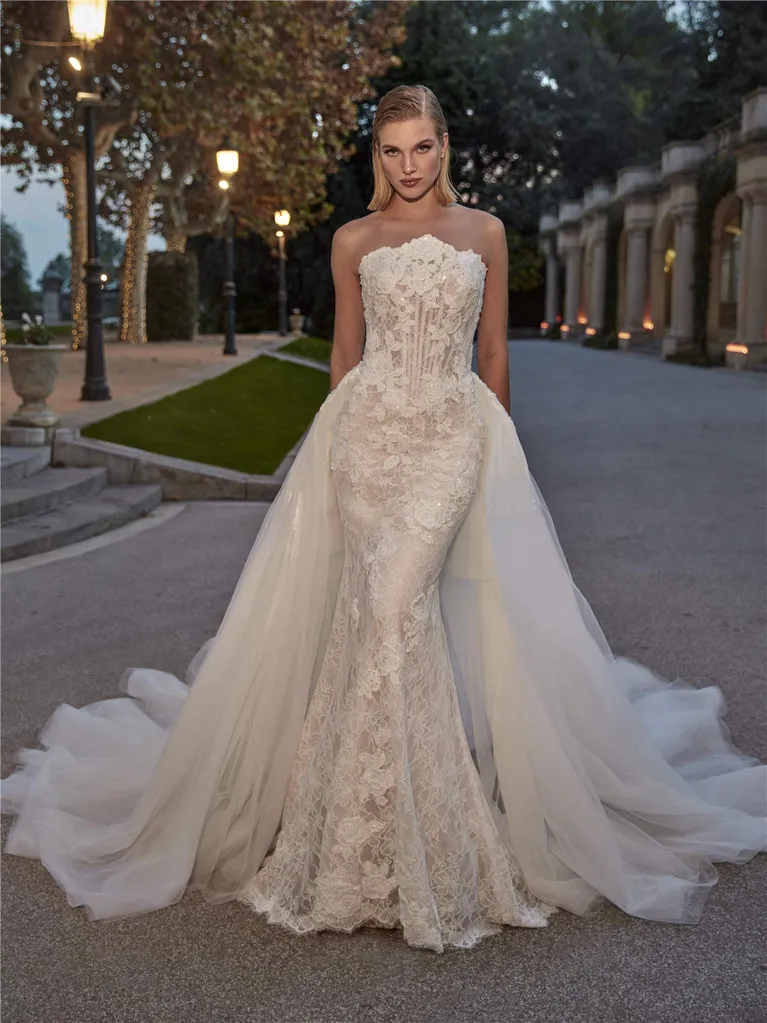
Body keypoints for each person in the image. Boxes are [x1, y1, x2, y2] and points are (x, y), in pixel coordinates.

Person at [2, 85, 765, 954]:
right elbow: (343, 353)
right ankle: (352, 828)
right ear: (380, 157)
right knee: (379, 616)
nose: (408, 166)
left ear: (445, 148)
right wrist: (334, 458)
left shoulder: (482, 232)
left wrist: (497, 465)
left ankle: (426, 834)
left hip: (448, 442)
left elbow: (490, 356)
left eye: (422, 148)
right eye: (392, 151)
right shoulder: (353, 240)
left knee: (401, 607)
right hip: (366, 445)